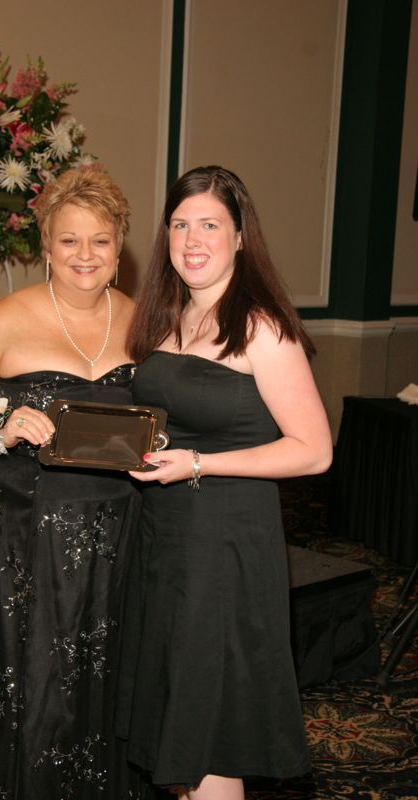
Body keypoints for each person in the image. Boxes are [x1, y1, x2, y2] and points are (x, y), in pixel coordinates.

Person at [0, 166, 150, 799]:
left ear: (119, 248)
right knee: (27, 682)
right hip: (16, 541)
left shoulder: (148, 322)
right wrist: (0, 424)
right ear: (47, 246)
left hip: (116, 536)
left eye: (99, 240)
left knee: (96, 683)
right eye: (69, 241)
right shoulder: (8, 318)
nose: (85, 256)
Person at [115, 165, 333, 799]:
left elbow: (314, 451)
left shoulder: (262, 327)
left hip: (225, 546)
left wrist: (200, 464)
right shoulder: (168, 320)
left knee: (206, 735)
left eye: (209, 224)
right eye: (180, 225)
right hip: (165, 539)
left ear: (241, 237)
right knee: (176, 727)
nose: (192, 239)